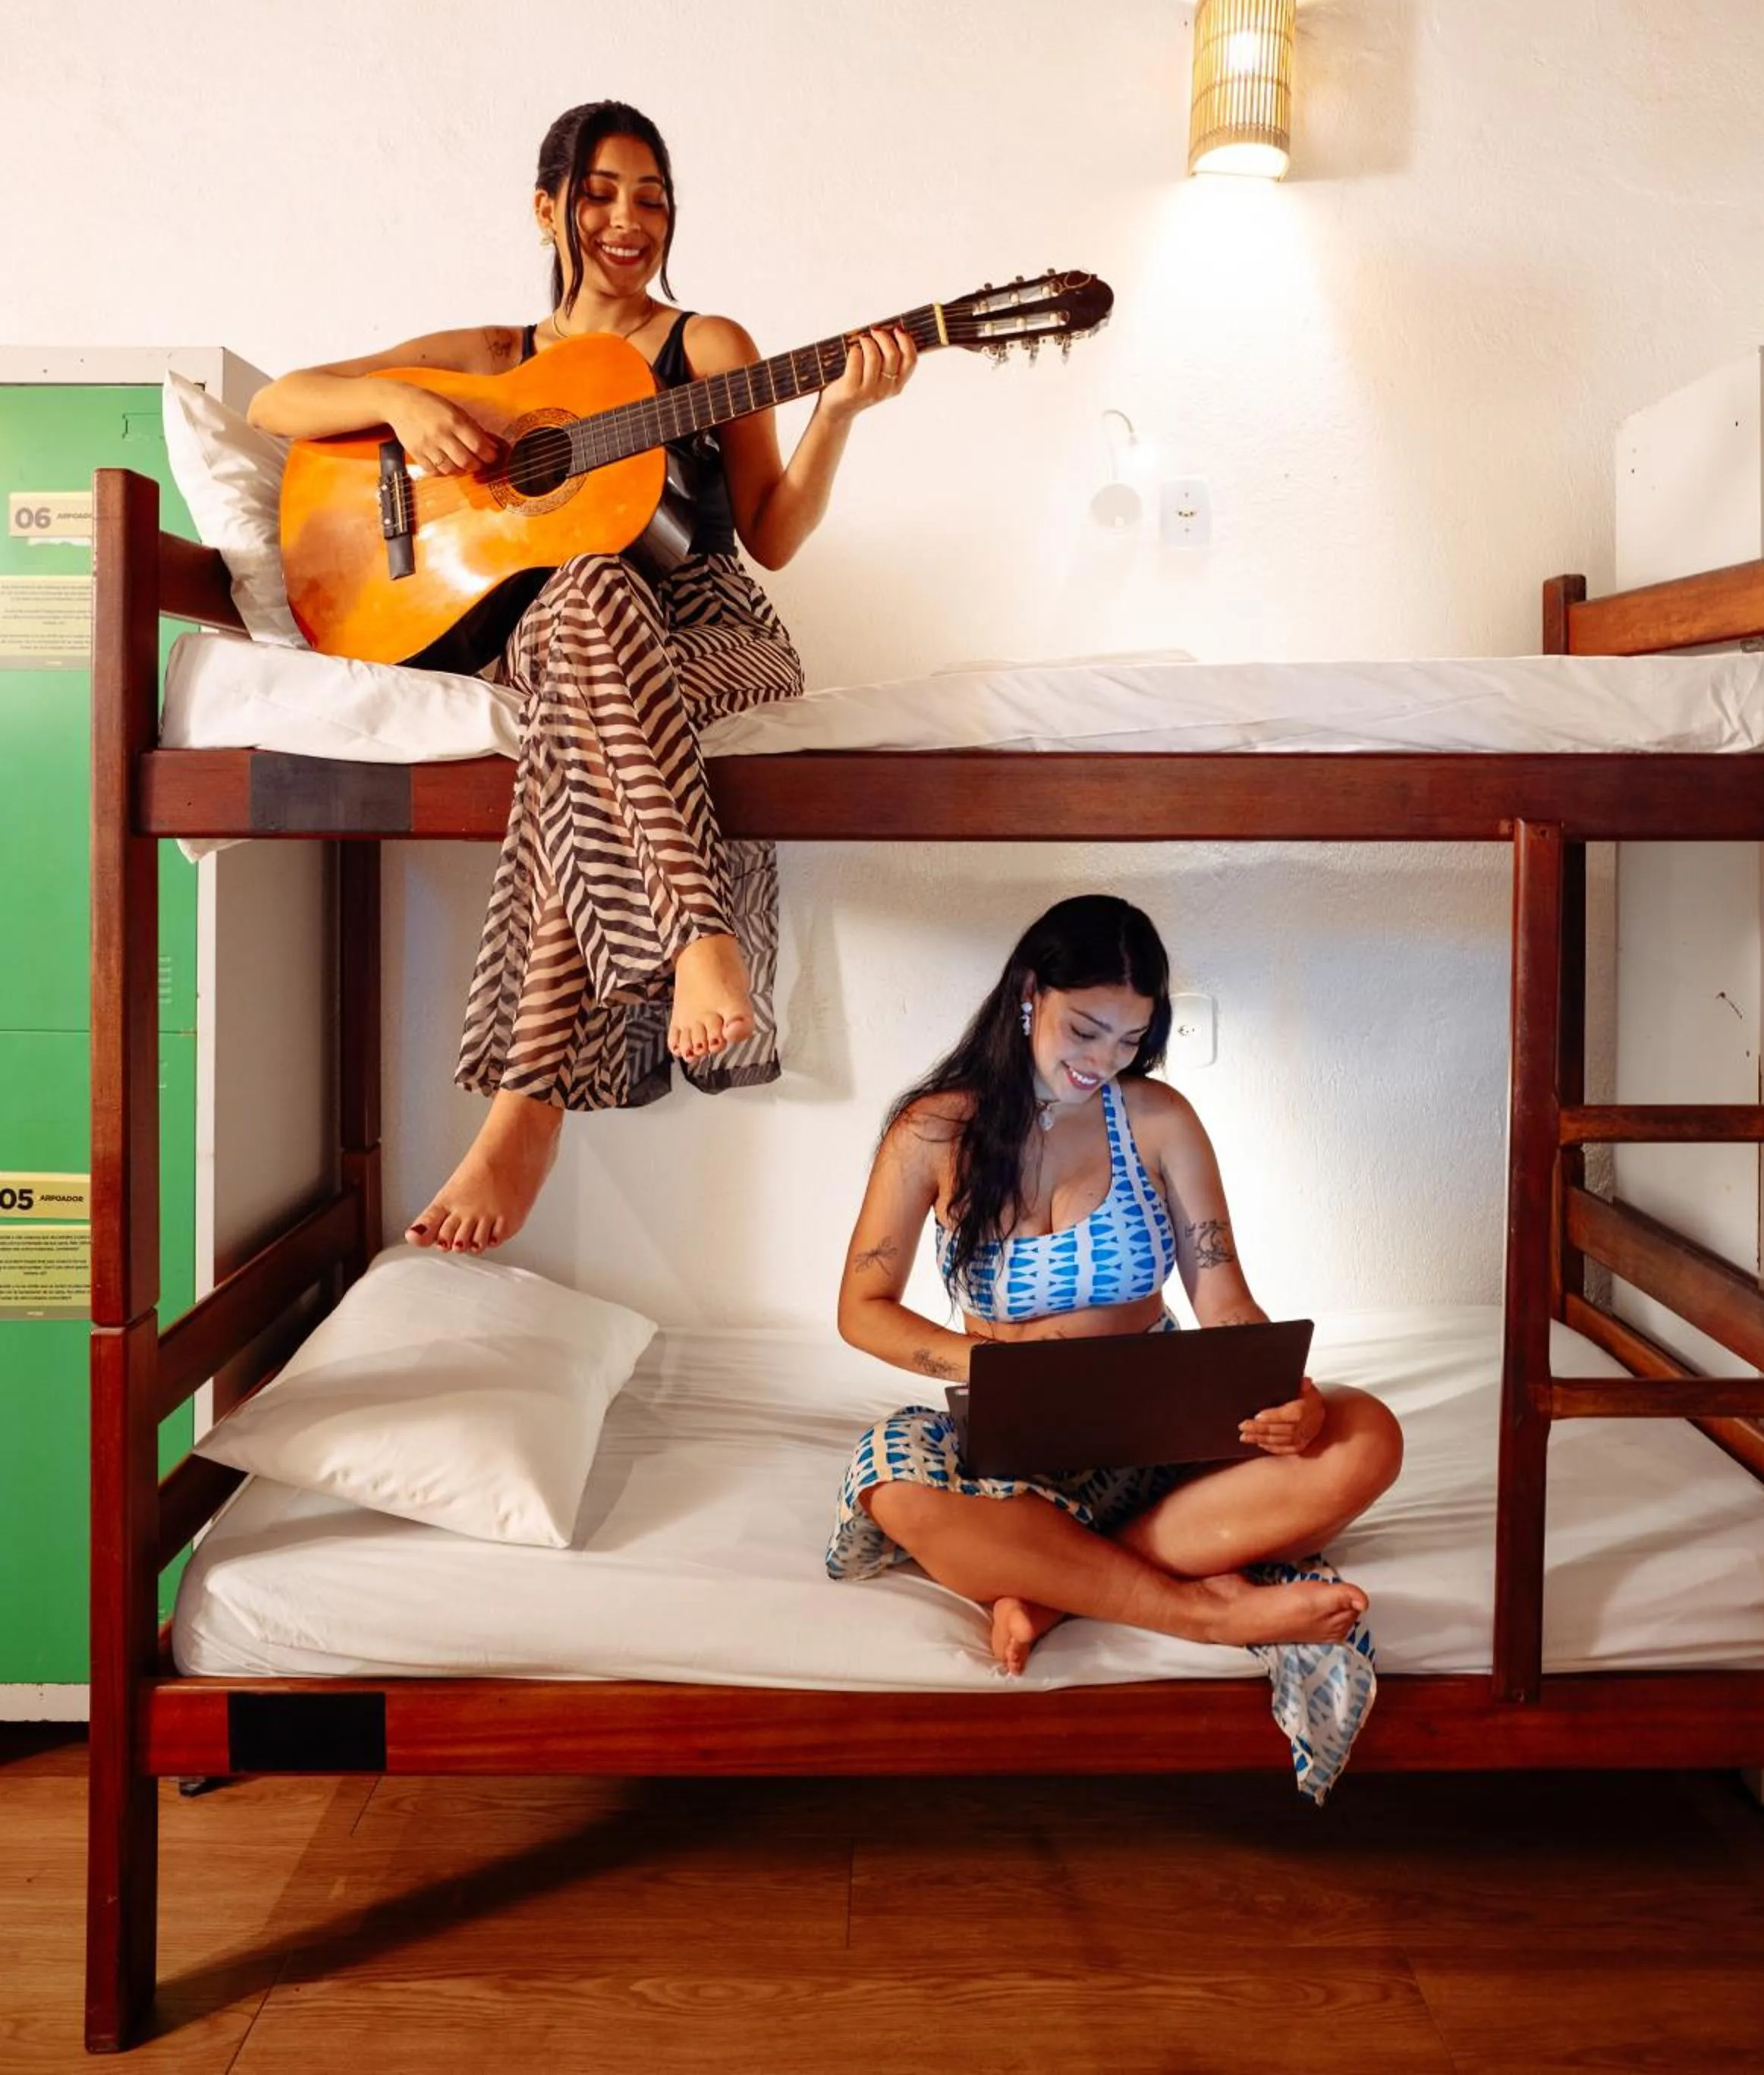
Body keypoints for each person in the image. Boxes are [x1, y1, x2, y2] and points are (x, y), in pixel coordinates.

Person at [250, 99, 917, 1251]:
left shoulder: (707, 346)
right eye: (602, 193)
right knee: (582, 599)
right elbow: (277, 402)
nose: (628, 219)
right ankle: (694, 938)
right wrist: (406, 403)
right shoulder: (492, 359)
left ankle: (529, 1104)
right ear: (549, 207)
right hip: (556, 625)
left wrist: (839, 415)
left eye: (652, 196)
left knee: (581, 684)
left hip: (711, 629)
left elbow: (770, 534)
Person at [828, 894, 1404, 1717]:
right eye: (1086, 1030)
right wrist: (992, 1366)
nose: (1104, 1059)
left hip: (1158, 1438)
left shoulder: (1157, 1121)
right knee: (892, 1482)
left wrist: (1285, 1391)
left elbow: (1223, 1296)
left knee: (1364, 1434)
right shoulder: (935, 1130)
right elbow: (862, 1306)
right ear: (1031, 992)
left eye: (1130, 1038)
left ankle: (1056, 1587)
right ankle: (1195, 1607)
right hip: (1015, 1445)